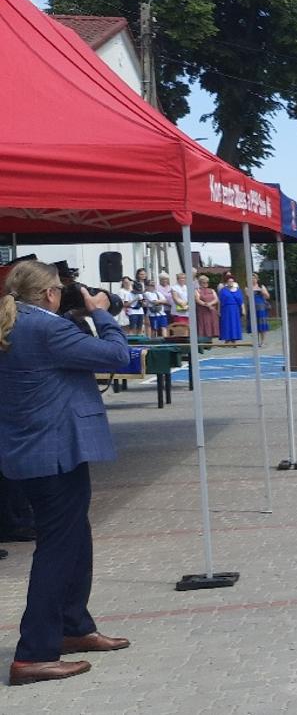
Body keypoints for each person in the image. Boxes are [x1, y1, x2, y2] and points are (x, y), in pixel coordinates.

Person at [0, 260, 134, 685]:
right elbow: (119, 356)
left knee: (74, 536)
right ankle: (34, 653)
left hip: (32, 449)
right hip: (55, 451)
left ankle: (73, 626)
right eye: (60, 288)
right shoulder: (47, 328)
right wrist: (100, 313)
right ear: (48, 293)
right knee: (57, 548)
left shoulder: (13, 324)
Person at [215, 274, 244, 343]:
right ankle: (227, 339)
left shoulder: (238, 290)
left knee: (234, 323)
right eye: (229, 281)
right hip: (226, 309)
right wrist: (219, 310)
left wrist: (243, 309)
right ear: (226, 282)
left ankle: (234, 339)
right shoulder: (223, 291)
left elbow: (241, 301)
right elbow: (219, 301)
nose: (230, 283)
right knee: (226, 324)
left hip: (235, 309)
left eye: (232, 281)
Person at [196, 274, 221, 341]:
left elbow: (216, 299)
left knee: (212, 324)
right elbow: (198, 300)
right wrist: (207, 305)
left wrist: (210, 304)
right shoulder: (197, 291)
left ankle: (211, 340)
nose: (206, 284)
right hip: (203, 311)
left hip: (212, 310)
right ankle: (204, 341)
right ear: (200, 283)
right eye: (204, 282)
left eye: (207, 282)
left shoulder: (212, 290)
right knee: (205, 325)